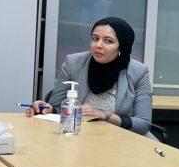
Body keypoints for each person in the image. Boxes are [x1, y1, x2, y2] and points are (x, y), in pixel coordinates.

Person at [25, 17, 153, 137]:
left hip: (123, 140)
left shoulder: (139, 72)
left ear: (122, 46)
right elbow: (58, 108)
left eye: (108, 41)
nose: (98, 45)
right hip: (78, 136)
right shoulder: (73, 63)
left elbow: (143, 124)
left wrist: (105, 116)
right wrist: (48, 109)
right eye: (95, 38)